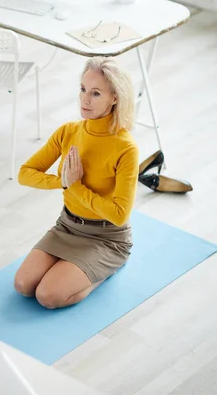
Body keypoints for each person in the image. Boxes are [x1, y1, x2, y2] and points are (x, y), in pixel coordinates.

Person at [15, 56, 138, 310]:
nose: (85, 99)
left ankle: (103, 270)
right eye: (83, 89)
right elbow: (25, 173)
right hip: (67, 226)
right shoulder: (68, 132)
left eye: (95, 93)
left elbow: (119, 214)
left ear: (114, 97)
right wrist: (63, 182)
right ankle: (72, 271)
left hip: (106, 238)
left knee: (48, 296)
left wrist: (76, 187)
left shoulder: (126, 148)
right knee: (24, 285)